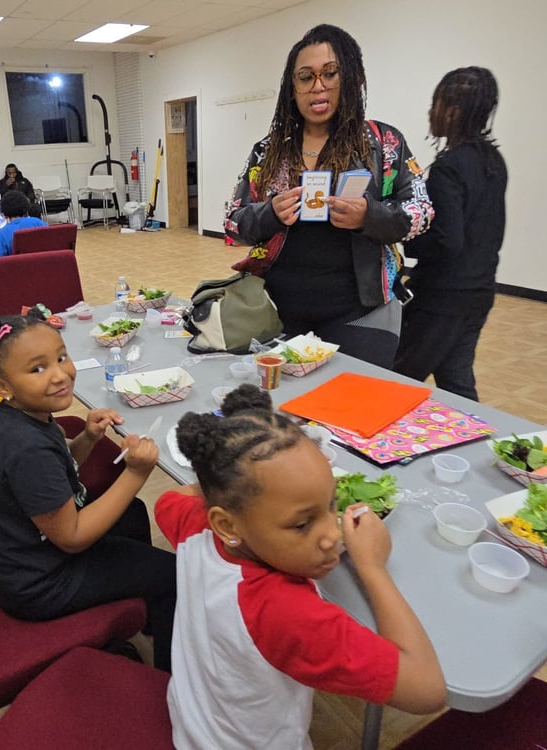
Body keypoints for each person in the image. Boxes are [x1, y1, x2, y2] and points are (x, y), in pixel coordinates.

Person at [155, 384, 446, 749]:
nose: (332, 535)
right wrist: (372, 567)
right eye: (302, 524)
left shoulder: (193, 527)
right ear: (226, 525)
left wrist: (227, 478)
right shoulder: (285, 611)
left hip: (194, 721)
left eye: (331, 503)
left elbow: (169, 499)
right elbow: (427, 689)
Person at [0, 308, 176, 670]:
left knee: (132, 513)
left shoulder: (18, 416)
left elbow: (60, 466)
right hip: (39, 583)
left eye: (61, 357)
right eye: (38, 369)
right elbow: (72, 537)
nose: (60, 374)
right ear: (2, 386)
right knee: (171, 575)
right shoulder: (26, 449)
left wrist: (88, 437)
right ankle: (167, 677)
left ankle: (147, 612)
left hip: (26, 554)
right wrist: (136, 473)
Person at [224, 24, 433, 369]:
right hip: (277, 312)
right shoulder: (268, 151)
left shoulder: (383, 143)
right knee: (281, 403)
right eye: (305, 77)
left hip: (362, 313)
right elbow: (233, 222)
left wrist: (369, 217)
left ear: (352, 77)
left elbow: (421, 211)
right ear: (292, 88)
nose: (317, 86)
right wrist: (270, 213)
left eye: (330, 73)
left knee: (355, 402)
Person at [393, 67, 507, 401]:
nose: (431, 112)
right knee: (456, 381)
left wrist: (406, 233)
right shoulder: (493, 160)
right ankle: (480, 435)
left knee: (396, 378)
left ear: (453, 112)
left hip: (442, 298)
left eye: (436, 104)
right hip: (480, 292)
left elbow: (447, 240)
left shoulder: (448, 167)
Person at [0, 190, 47, 257]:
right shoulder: (39, 223)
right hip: (43, 262)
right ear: (26, 209)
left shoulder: (2, 234)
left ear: (4, 215)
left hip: (17, 263)